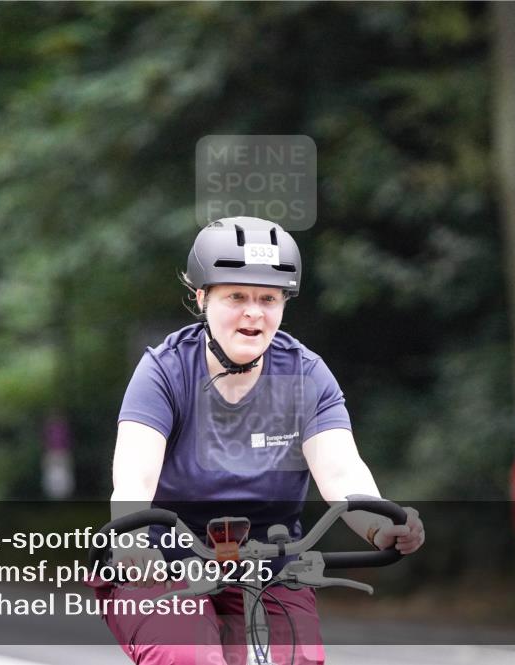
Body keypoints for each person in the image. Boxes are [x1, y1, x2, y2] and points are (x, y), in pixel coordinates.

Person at [98, 217, 426, 665]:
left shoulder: (306, 375)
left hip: (269, 569)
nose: (254, 312)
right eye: (237, 296)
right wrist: (134, 541)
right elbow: (134, 478)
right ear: (202, 297)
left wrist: (380, 525)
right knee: (188, 658)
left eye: (268, 299)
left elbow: (342, 472)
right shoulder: (164, 371)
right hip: (165, 564)